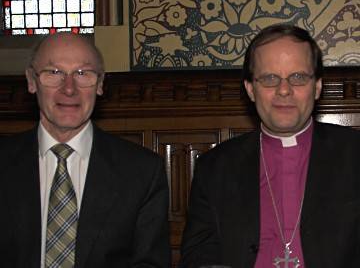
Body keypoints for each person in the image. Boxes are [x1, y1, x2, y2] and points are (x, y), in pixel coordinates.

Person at [180, 24, 360, 267]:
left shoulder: (354, 155)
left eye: (297, 77)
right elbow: (198, 257)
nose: (283, 90)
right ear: (250, 89)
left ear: (317, 87)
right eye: (269, 78)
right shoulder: (215, 167)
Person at [0, 33, 170, 268]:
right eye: (54, 72)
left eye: (83, 73)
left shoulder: (142, 171)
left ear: (100, 84)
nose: (69, 88)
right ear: (31, 80)